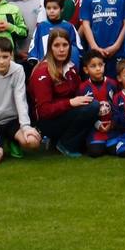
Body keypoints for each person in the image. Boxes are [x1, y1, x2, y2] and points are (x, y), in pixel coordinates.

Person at [29, 29, 95, 157]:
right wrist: (70, 102)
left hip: (65, 114)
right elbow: (44, 110)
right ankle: (65, 145)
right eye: (57, 45)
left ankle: (58, 142)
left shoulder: (71, 68)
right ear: (50, 48)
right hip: (47, 121)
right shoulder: (42, 72)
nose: (61, 49)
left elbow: (78, 93)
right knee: (92, 107)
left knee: (93, 105)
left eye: (65, 45)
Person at [0, 37, 41, 164]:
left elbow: (20, 99)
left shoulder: (18, 70)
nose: (1, 61)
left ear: (11, 56)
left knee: (33, 141)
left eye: (5, 57)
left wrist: (26, 127)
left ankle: (13, 140)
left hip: (13, 121)